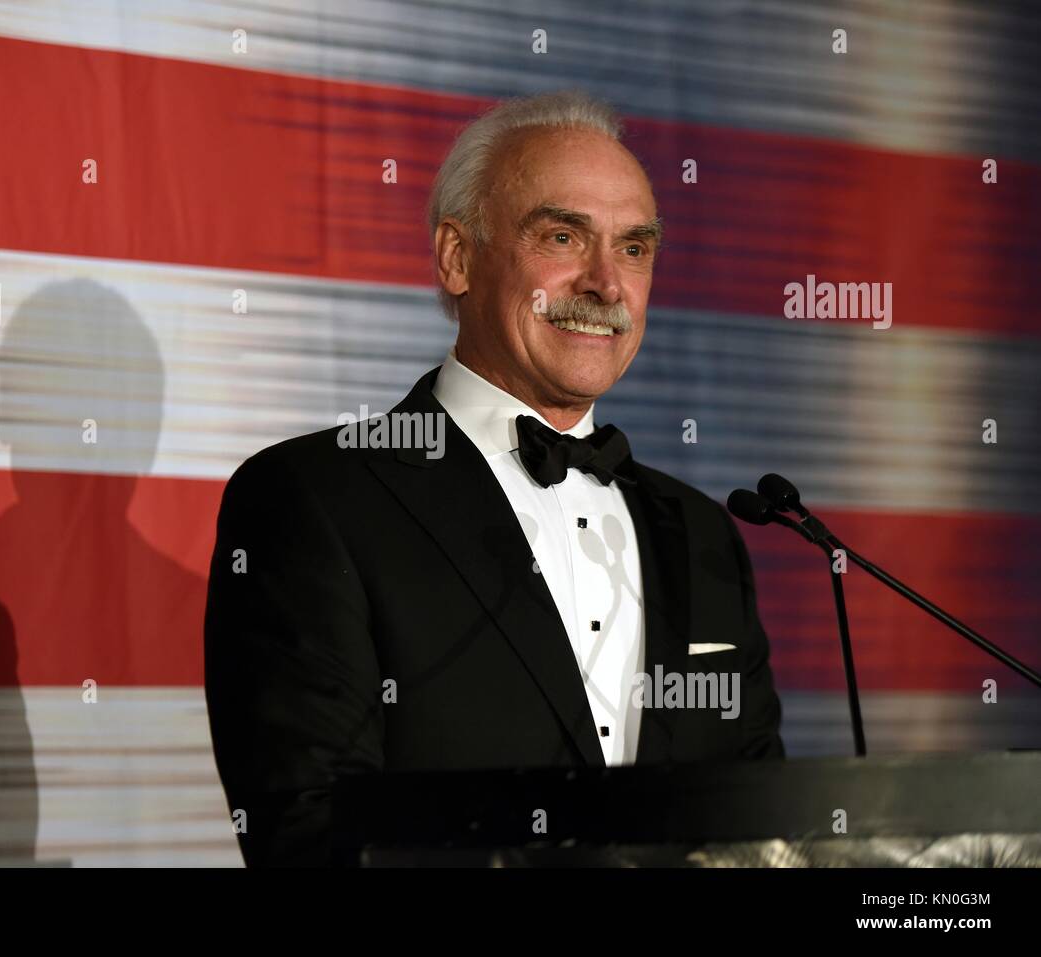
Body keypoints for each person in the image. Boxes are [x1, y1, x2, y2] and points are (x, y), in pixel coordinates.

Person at [205, 90, 785, 868]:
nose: (607, 285)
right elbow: (310, 833)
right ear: (457, 256)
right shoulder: (312, 501)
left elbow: (763, 821)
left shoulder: (703, 531)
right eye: (562, 235)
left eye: (635, 248)